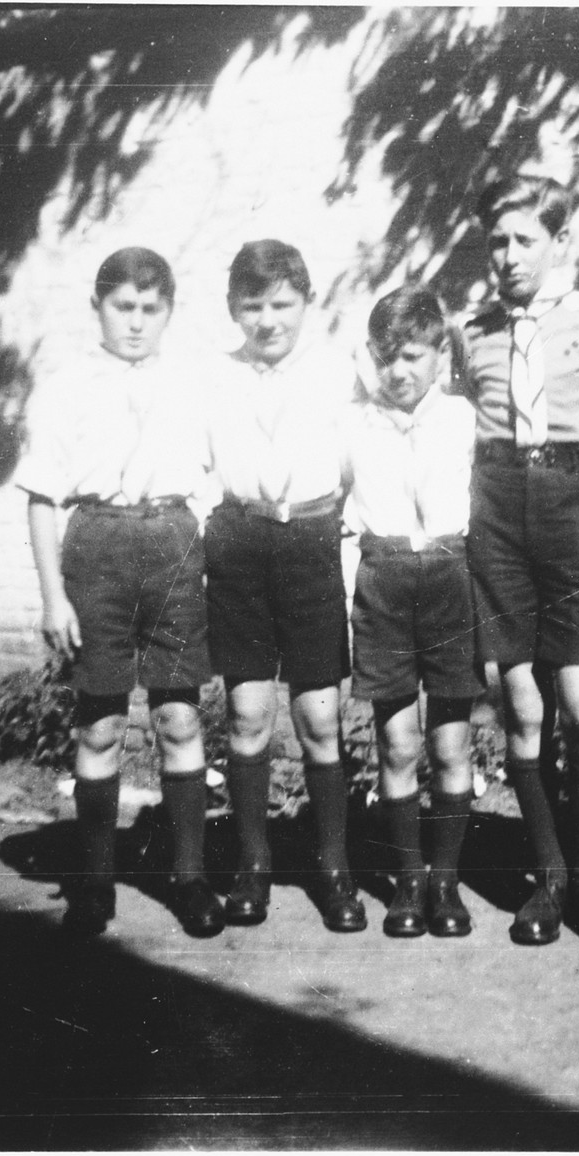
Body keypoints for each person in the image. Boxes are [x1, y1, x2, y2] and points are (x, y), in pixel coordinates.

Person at [458, 174, 579, 948]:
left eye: (523, 240)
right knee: (524, 710)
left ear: (561, 243)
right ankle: (550, 880)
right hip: (499, 509)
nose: (507, 256)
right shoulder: (470, 329)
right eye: (496, 242)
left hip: (577, 504)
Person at [14, 246, 221, 938]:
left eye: (149, 308)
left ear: (168, 312)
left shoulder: (194, 382)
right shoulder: (66, 385)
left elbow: (226, 472)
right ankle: (94, 884)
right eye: (122, 307)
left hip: (171, 541)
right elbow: (42, 497)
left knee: (179, 720)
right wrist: (53, 597)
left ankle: (189, 880)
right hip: (96, 546)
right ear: (97, 307)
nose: (135, 322)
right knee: (99, 723)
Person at [204, 239, 364, 933]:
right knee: (246, 715)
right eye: (252, 305)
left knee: (320, 716)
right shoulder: (214, 375)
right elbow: (196, 462)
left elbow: (362, 466)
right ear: (233, 308)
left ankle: (334, 866)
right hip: (239, 542)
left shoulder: (338, 373)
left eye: (281, 303)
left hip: (311, 540)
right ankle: (253, 865)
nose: (267, 319)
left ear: (306, 302)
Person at [341, 286, 481, 939]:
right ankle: (408, 879)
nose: (400, 371)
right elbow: (334, 515)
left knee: (452, 741)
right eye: (388, 357)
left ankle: (447, 881)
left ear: (438, 355)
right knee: (397, 740)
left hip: (451, 573)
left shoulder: (464, 419)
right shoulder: (354, 425)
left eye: (414, 355)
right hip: (385, 577)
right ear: (373, 357)